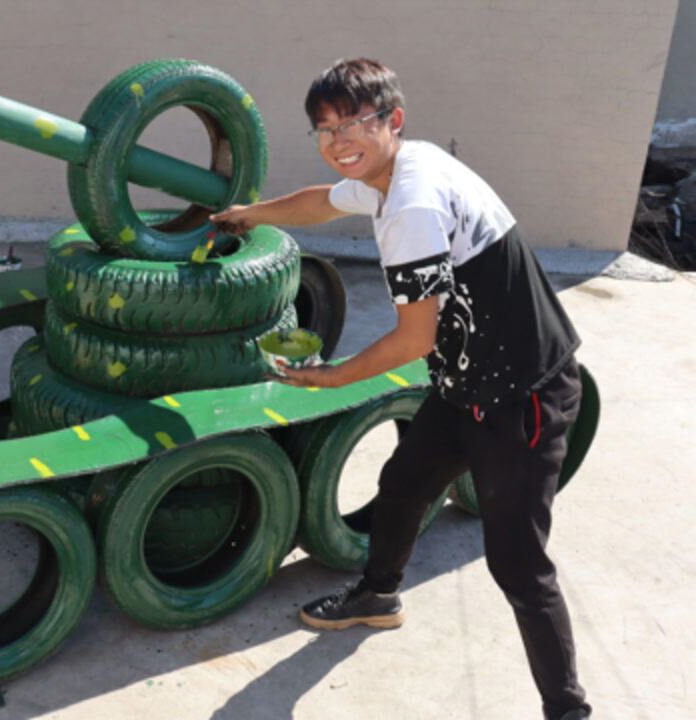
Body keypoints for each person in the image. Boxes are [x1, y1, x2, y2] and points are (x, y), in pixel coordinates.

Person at [211, 58, 590, 720]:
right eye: (325, 129)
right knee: (404, 484)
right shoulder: (393, 172)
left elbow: (415, 338)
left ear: (393, 120)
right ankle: (378, 596)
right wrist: (250, 214)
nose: (338, 141)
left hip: (522, 395)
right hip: (466, 381)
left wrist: (329, 377)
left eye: (353, 123)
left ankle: (569, 711)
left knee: (520, 568)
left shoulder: (412, 205)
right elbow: (322, 201)